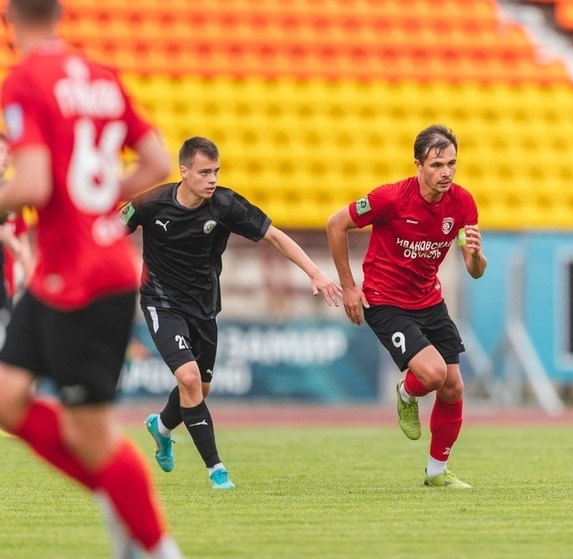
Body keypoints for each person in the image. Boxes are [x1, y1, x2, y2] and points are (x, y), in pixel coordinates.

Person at [0, 1, 183, 557]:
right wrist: (99, 206)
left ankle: (153, 542)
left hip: (84, 280)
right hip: (69, 273)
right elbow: (157, 162)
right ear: (60, 13)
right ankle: (113, 489)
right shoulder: (103, 78)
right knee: (7, 399)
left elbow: (30, 183)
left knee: (90, 432)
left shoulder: (24, 83)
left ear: (8, 16)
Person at [120, 136, 342, 490]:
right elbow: (107, 234)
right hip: (161, 303)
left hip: (204, 307)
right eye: (205, 172)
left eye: (216, 171)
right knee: (189, 379)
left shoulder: (224, 204)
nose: (212, 179)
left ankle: (161, 427)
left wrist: (314, 271)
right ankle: (216, 470)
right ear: (184, 172)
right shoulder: (150, 203)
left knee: (200, 388)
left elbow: (275, 236)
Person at [327, 124, 487, 489]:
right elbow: (335, 224)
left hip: (430, 300)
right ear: (418, 165)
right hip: (386, 302)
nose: (446, 172)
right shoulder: (390, 199)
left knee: (454, 388)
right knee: (433, 375)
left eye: (451, 164)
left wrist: (477, 255)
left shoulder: (463, 203)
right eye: (436, 164)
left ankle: (436, 474)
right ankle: (405, 392)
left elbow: (474, 272)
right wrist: (349, 287)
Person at [0, 132, 34, 311]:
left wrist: (29, 280)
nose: (5, 157)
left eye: (8, 152)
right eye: (0, 151)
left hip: (7, 289)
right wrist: (7, 239)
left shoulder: (14, 195)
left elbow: (23, 243)